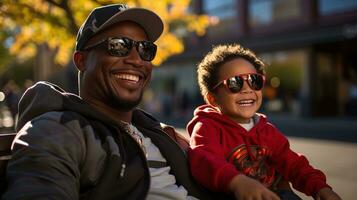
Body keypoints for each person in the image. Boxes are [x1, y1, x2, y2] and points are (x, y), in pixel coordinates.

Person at [2, 4, 213, 200]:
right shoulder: (58, 131)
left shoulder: (155, 132)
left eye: (145, 49)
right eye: (119, 46)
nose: (136, 59)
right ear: (81, 60)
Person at [187, 44, 342, 200]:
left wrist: (320, 188)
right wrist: (237, 182)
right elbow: (203, 160)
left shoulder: (267, 131)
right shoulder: (207, 127)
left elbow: (294, 164)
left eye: (255, 81)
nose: (247, 89)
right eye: (235, 83)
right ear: (213, 98)